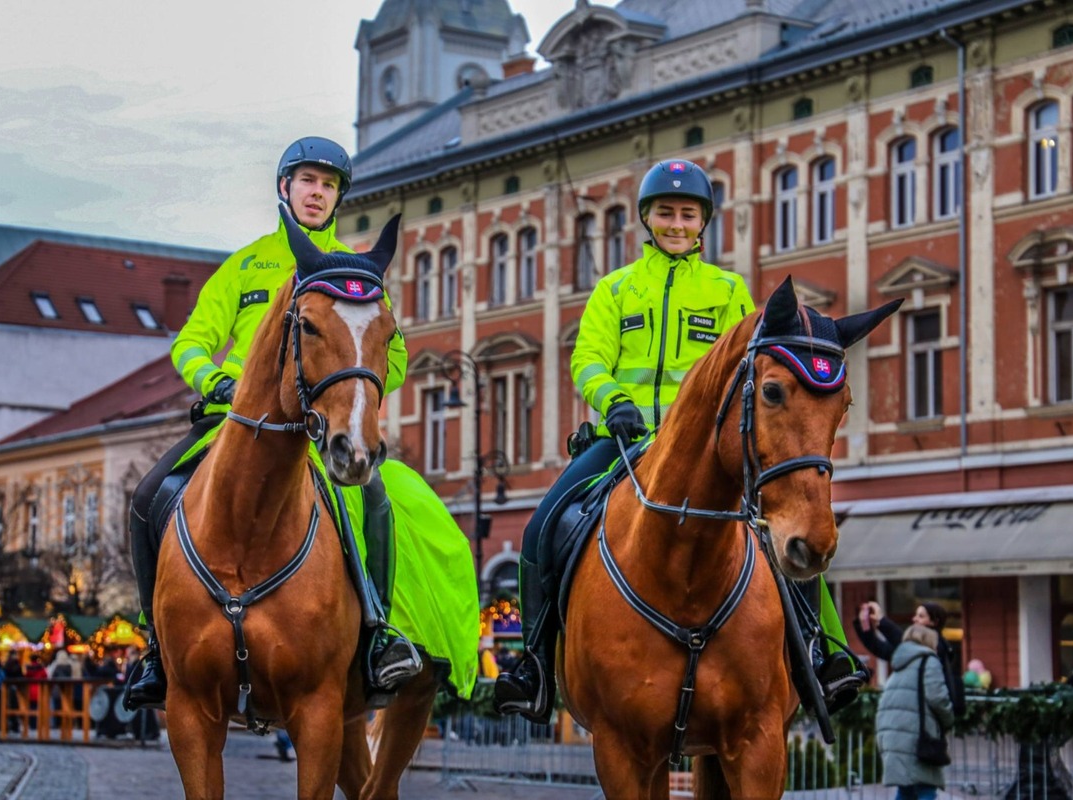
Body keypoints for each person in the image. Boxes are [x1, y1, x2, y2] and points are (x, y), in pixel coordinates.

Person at [495, 158, 865, 724]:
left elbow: (747, 367)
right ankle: (535, 666)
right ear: (647, 218)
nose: (676, 223)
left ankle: (820, 652)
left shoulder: (727, 290)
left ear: (703, 223)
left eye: (687, 214)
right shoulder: (616, 289)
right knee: (542, 527)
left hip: (705, 448)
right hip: (622, 440)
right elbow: (587, 358)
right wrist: (613, 400)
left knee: (785, 525)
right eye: (665, 212)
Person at [125, 136, 423, 709]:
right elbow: (191, 342)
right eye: (308, 180)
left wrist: (350, 397)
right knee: (147, 495)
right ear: (285, 188)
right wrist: (216, 382)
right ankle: (156, 645)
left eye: (329, 185)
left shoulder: (356, 272)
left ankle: (378, 634)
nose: (318, 193)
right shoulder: (246, 264)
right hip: (232, 421)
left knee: (373, 499)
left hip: (317, 429)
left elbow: (394, 356)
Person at [876, 624, 954, 799]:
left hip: (893, 737)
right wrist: (949, 719)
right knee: (926, 788)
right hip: (917, 738)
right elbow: (938, 698)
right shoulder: (928, 661)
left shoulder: (899, 664)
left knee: (906, 789)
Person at [855, 600, 965, 716]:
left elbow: (905, 643)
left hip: (926, 716)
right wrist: (864, 625)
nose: (914, 619)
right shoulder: (914, 650)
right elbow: (882, 649)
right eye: (916, 615)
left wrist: (881, 621)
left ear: (934, 622)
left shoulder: (937, 647)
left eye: (921, 616)